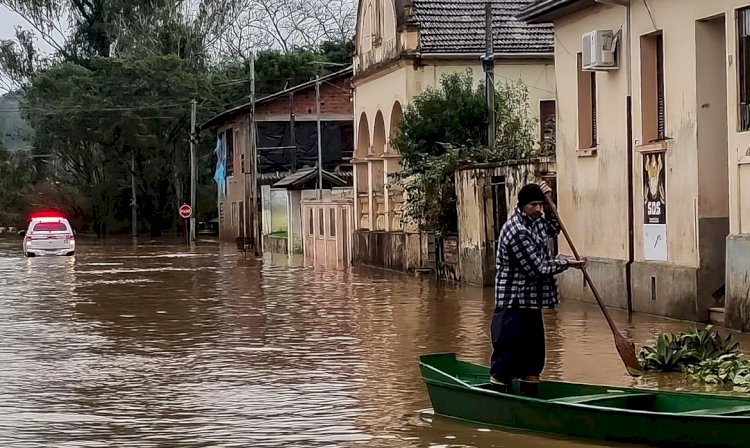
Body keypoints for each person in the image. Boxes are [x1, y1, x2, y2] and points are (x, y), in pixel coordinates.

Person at [490, 181, 587, 392]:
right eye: (534, 205)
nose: (538, 209)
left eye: (540, 205)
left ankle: (531, 392)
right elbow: (538, 268)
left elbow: (554, 227)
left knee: (534, 356)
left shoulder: (537, 219)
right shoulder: (517, 230)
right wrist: (568, 263)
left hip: (531, 301)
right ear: (523, 205)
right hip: (512, 302)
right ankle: (497, 395)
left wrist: (550, 200)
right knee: (506, 356)